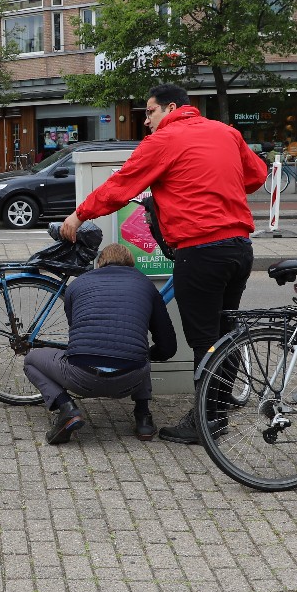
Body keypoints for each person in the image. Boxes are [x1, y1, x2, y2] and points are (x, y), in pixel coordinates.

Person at [60, 83, 268, 444]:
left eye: (150, 111)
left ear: (171, 108)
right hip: (239, 248)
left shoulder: (164, 140)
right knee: (225, 333)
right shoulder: (227, 132)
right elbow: (257, 176)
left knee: (205, 340)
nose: (146, 120)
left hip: (200, 250)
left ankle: (206, 421)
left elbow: (120, 185)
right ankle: (216, 412)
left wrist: (79, 216)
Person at [24, 240, 179, 445]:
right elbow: (168, 347)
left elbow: (75, 330)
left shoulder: (77, 284)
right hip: (129, 380)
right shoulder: (145, 285)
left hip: (81, 379)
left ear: (99, 263)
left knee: (31, 360)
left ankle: (66, 408)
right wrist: (147, 356)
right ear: (131, 265)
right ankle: (143, 418)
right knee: (138, 350)